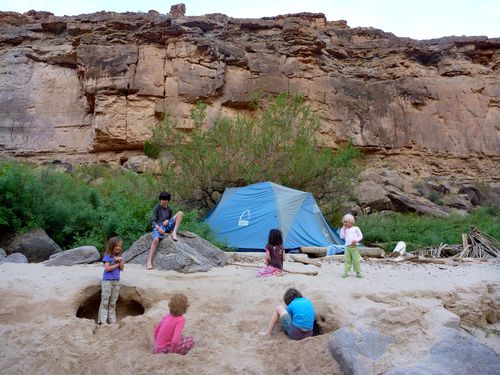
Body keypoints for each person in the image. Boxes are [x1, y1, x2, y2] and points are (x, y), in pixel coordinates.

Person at [146, 191, 184, 270]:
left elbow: (170, 219)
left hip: (166, 226)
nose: (164, 201)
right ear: (160, 199)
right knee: (156, 239)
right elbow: (153, 221)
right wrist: (158, 228)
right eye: (162, 199)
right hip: (158, 226)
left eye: (165, 200)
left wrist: (167, 221)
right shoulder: (157, 208)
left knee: (180, 213)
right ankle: (149, 261)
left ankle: (174, 232)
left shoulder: (169, 209)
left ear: (168, 200)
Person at [98, 237, 125, 324]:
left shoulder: (119, 257)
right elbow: (107, 268)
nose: (118, 247)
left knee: (113, 301)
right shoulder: (107, 256)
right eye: (116, 245)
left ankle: (112, 319)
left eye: (120, 246)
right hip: (107, 281)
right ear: (112, 246)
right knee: (105, 300)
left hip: (116, 281)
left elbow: (121, 268)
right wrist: (115, 261)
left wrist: (120, 260)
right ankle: (103, 320)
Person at [340, 213, 363, 278]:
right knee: (347, 260)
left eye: (346, 222)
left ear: (351, 221)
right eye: (344, 222)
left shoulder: (356, 228)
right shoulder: (345, 230)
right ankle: (346, 272)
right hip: (347, 247)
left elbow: (361, 236)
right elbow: (342, 237)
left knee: (356, 260)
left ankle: (358, 272)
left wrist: (356, 240)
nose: (345, 223)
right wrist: (342, 229)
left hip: (354, 247)